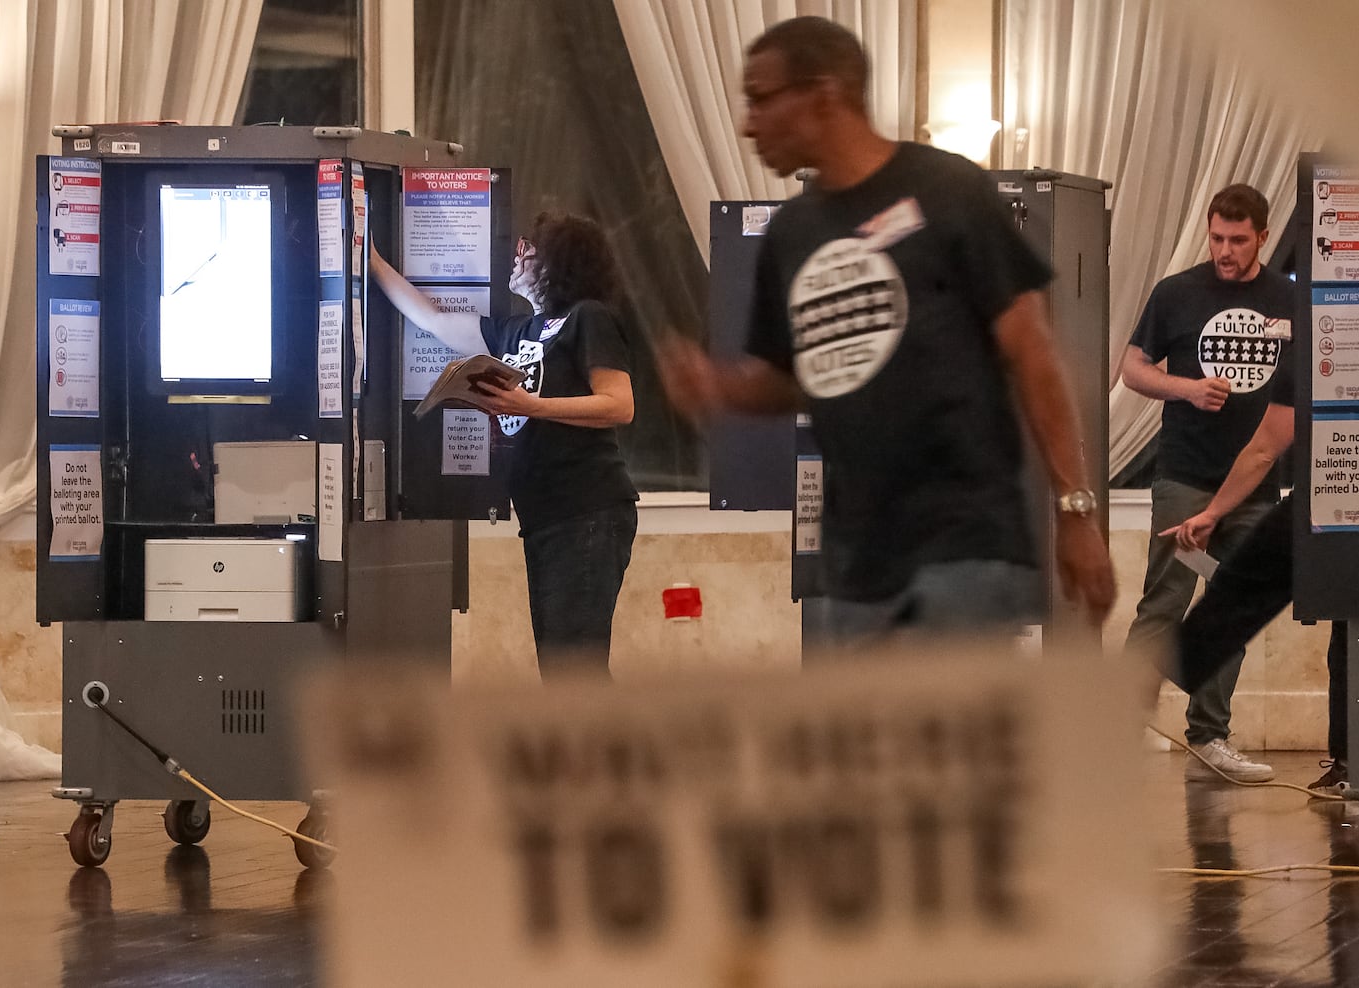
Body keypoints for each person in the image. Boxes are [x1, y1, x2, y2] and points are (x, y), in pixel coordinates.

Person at [658, 16, 1114, 644]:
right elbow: (797, 380)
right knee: (877, 743)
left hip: (962, 546)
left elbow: (1033, 353)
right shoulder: (792, 234)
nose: (747, 122)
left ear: (825, 94)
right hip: (858, 563)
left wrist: (1075, 510)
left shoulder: (947, 190)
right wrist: (723, 389)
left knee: (949, 740)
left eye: (762, 98)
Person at [370, 212, 639, 677]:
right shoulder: (513, 330)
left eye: (528, 249)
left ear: (559, 262)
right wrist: (368, 258)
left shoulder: (587, 317)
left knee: (574, 672)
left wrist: (531, 405)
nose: (517, 255)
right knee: (562, 669)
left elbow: (619, 405)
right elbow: (430, 319)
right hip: (544, 517)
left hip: (588, 511)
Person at [1120, 183, 1299, 784]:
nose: (1225, 250)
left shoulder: (1289, 300)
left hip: (1254, 483)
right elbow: (1133, 368)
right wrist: (1187, 388)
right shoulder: (1177, 292)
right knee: (1164, 600)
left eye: (1238, 240)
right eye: (1217, 237)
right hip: (1186, 475)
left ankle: (1210, 739)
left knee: (1231, 605)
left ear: (1263, 238)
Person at [1162, 362, 1349, 795]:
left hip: (1340, 496)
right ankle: (1349, 762)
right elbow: (1265, 448)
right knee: (1354, 623)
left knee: (1346, 620)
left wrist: (1212, 513)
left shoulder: (1311, 340)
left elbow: (1265, 448)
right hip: (1353, 494)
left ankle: (1350, 763)